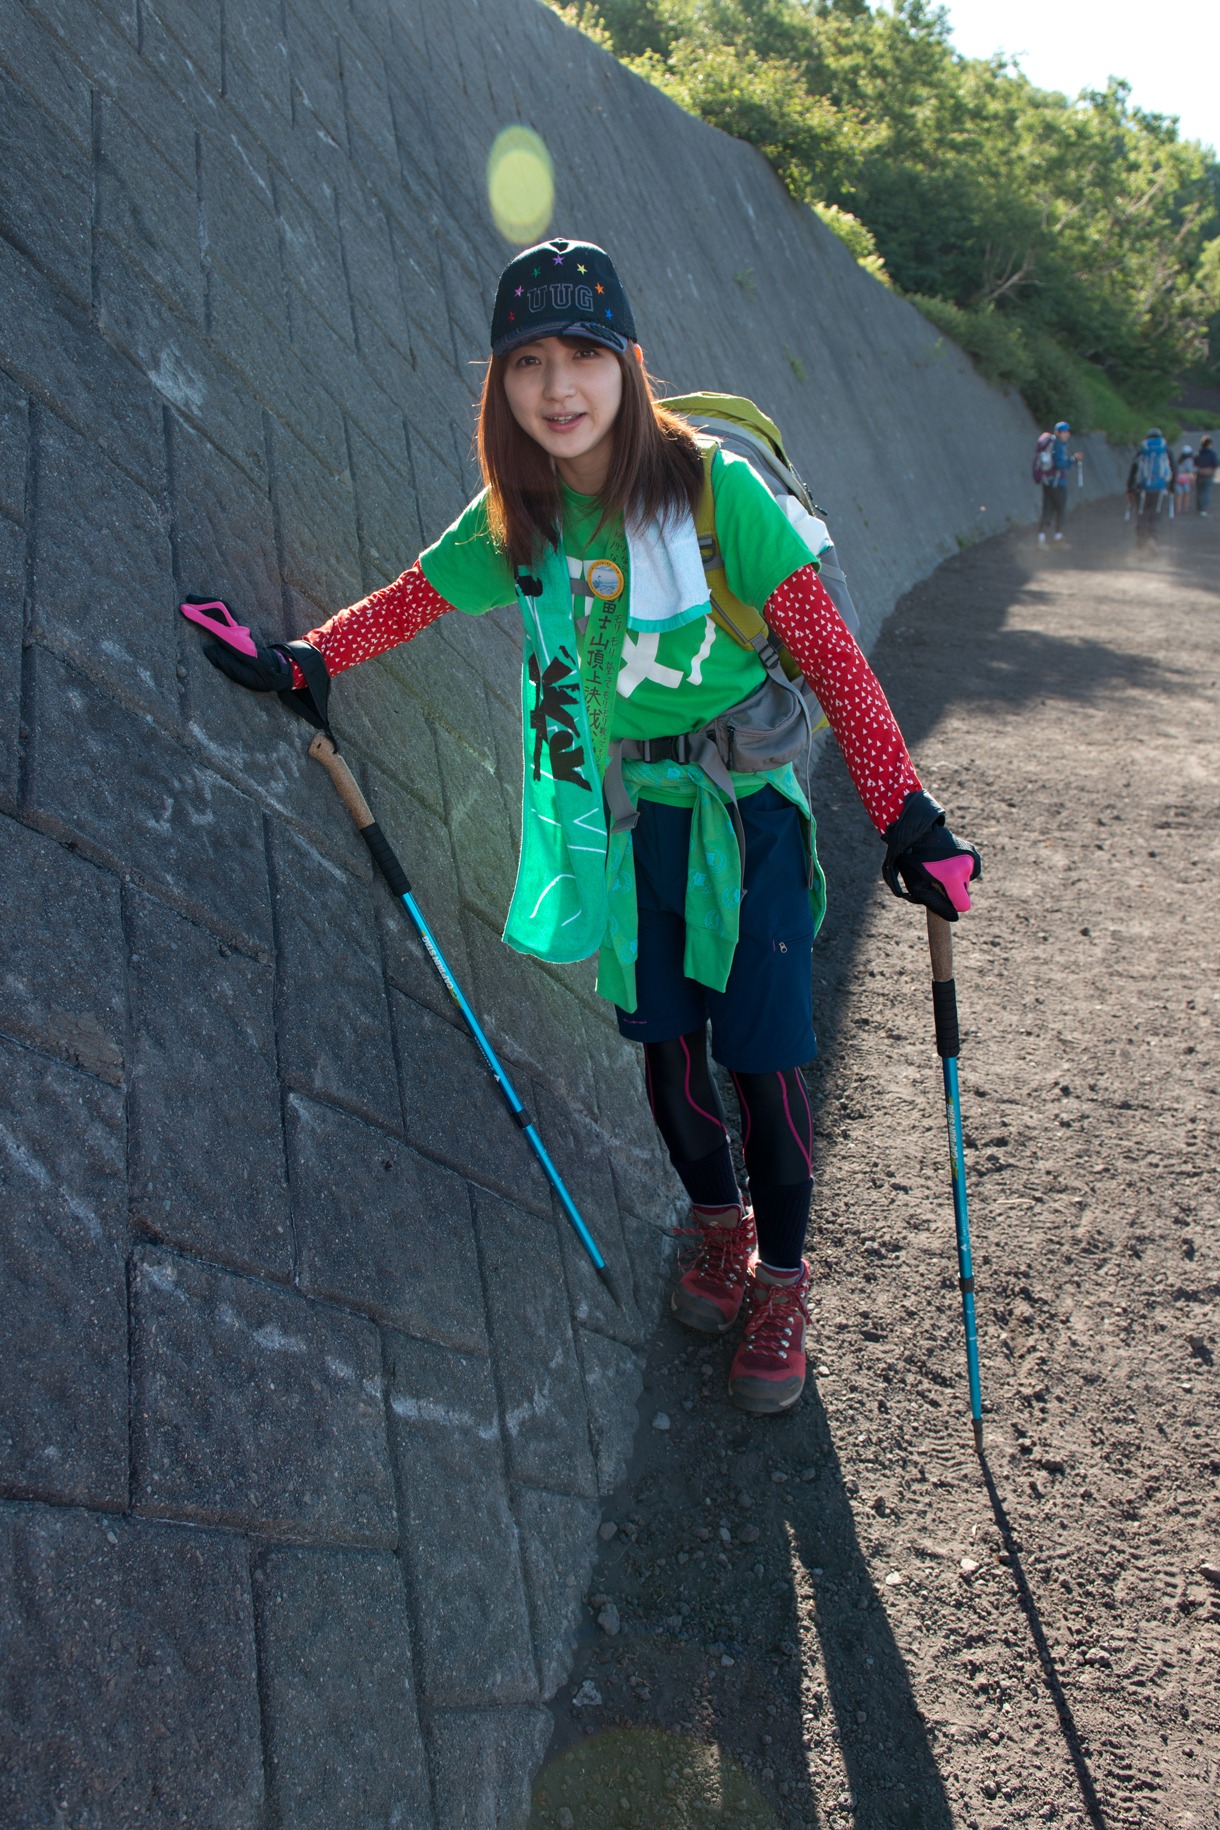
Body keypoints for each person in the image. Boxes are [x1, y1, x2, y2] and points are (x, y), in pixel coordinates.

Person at [202, 237, 980, 1417]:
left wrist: (905, 815)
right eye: (525, 362)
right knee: (664, 1054)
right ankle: (716, 1230)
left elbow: (830, 658)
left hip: (749, 819)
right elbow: (416, 595)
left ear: (626, 361)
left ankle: (780, 1278)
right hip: (633, 823)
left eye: (580, 354)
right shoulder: (522, 512)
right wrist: (309, 656)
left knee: (763, 1066)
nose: (555, 387)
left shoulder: (719, 492)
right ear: (499, 383)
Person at [1037, 421, 1083, 543]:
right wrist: (1073, 460)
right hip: (1058, 483)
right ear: (1058, 433)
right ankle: (1058, 537)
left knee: (1047, 508)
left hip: (1047, 482)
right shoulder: (1059, 446)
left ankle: (1041, 537)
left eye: (1068, 431)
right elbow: (1060, 464)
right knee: (1061, 509)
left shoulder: (1050, 444)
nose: (1067, 434)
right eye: (1065, 431)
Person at [1133, 427, 1174, 552]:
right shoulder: (1165, 449)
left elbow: (1134, 468)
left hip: (1143, 490)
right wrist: (1171, 487)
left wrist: (1130, 488)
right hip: (1160, 490)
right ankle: (1152, 540)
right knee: (1156, 516)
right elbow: (1174, 468)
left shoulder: (1143, 449)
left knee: (1142, 516)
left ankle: (1141, 545)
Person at [1194, 435, 1217, 515]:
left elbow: (1195, 462)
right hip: (1208, 474)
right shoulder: (1212, 453)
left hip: (1200, 473)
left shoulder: (1199, 452)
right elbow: (1215, 463)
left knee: (1199, 491)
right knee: (1207, 492)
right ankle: (1203, 509)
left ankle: (1199, 507)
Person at [1174, 446, 1194, 516]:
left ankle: (1178, 508)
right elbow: (1190, 470)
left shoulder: (1178, 461)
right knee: (1186, 494)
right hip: (1186, 479)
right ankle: (1186, 507)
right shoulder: (1189, 461)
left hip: (1178, 478)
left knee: (1179, 494)